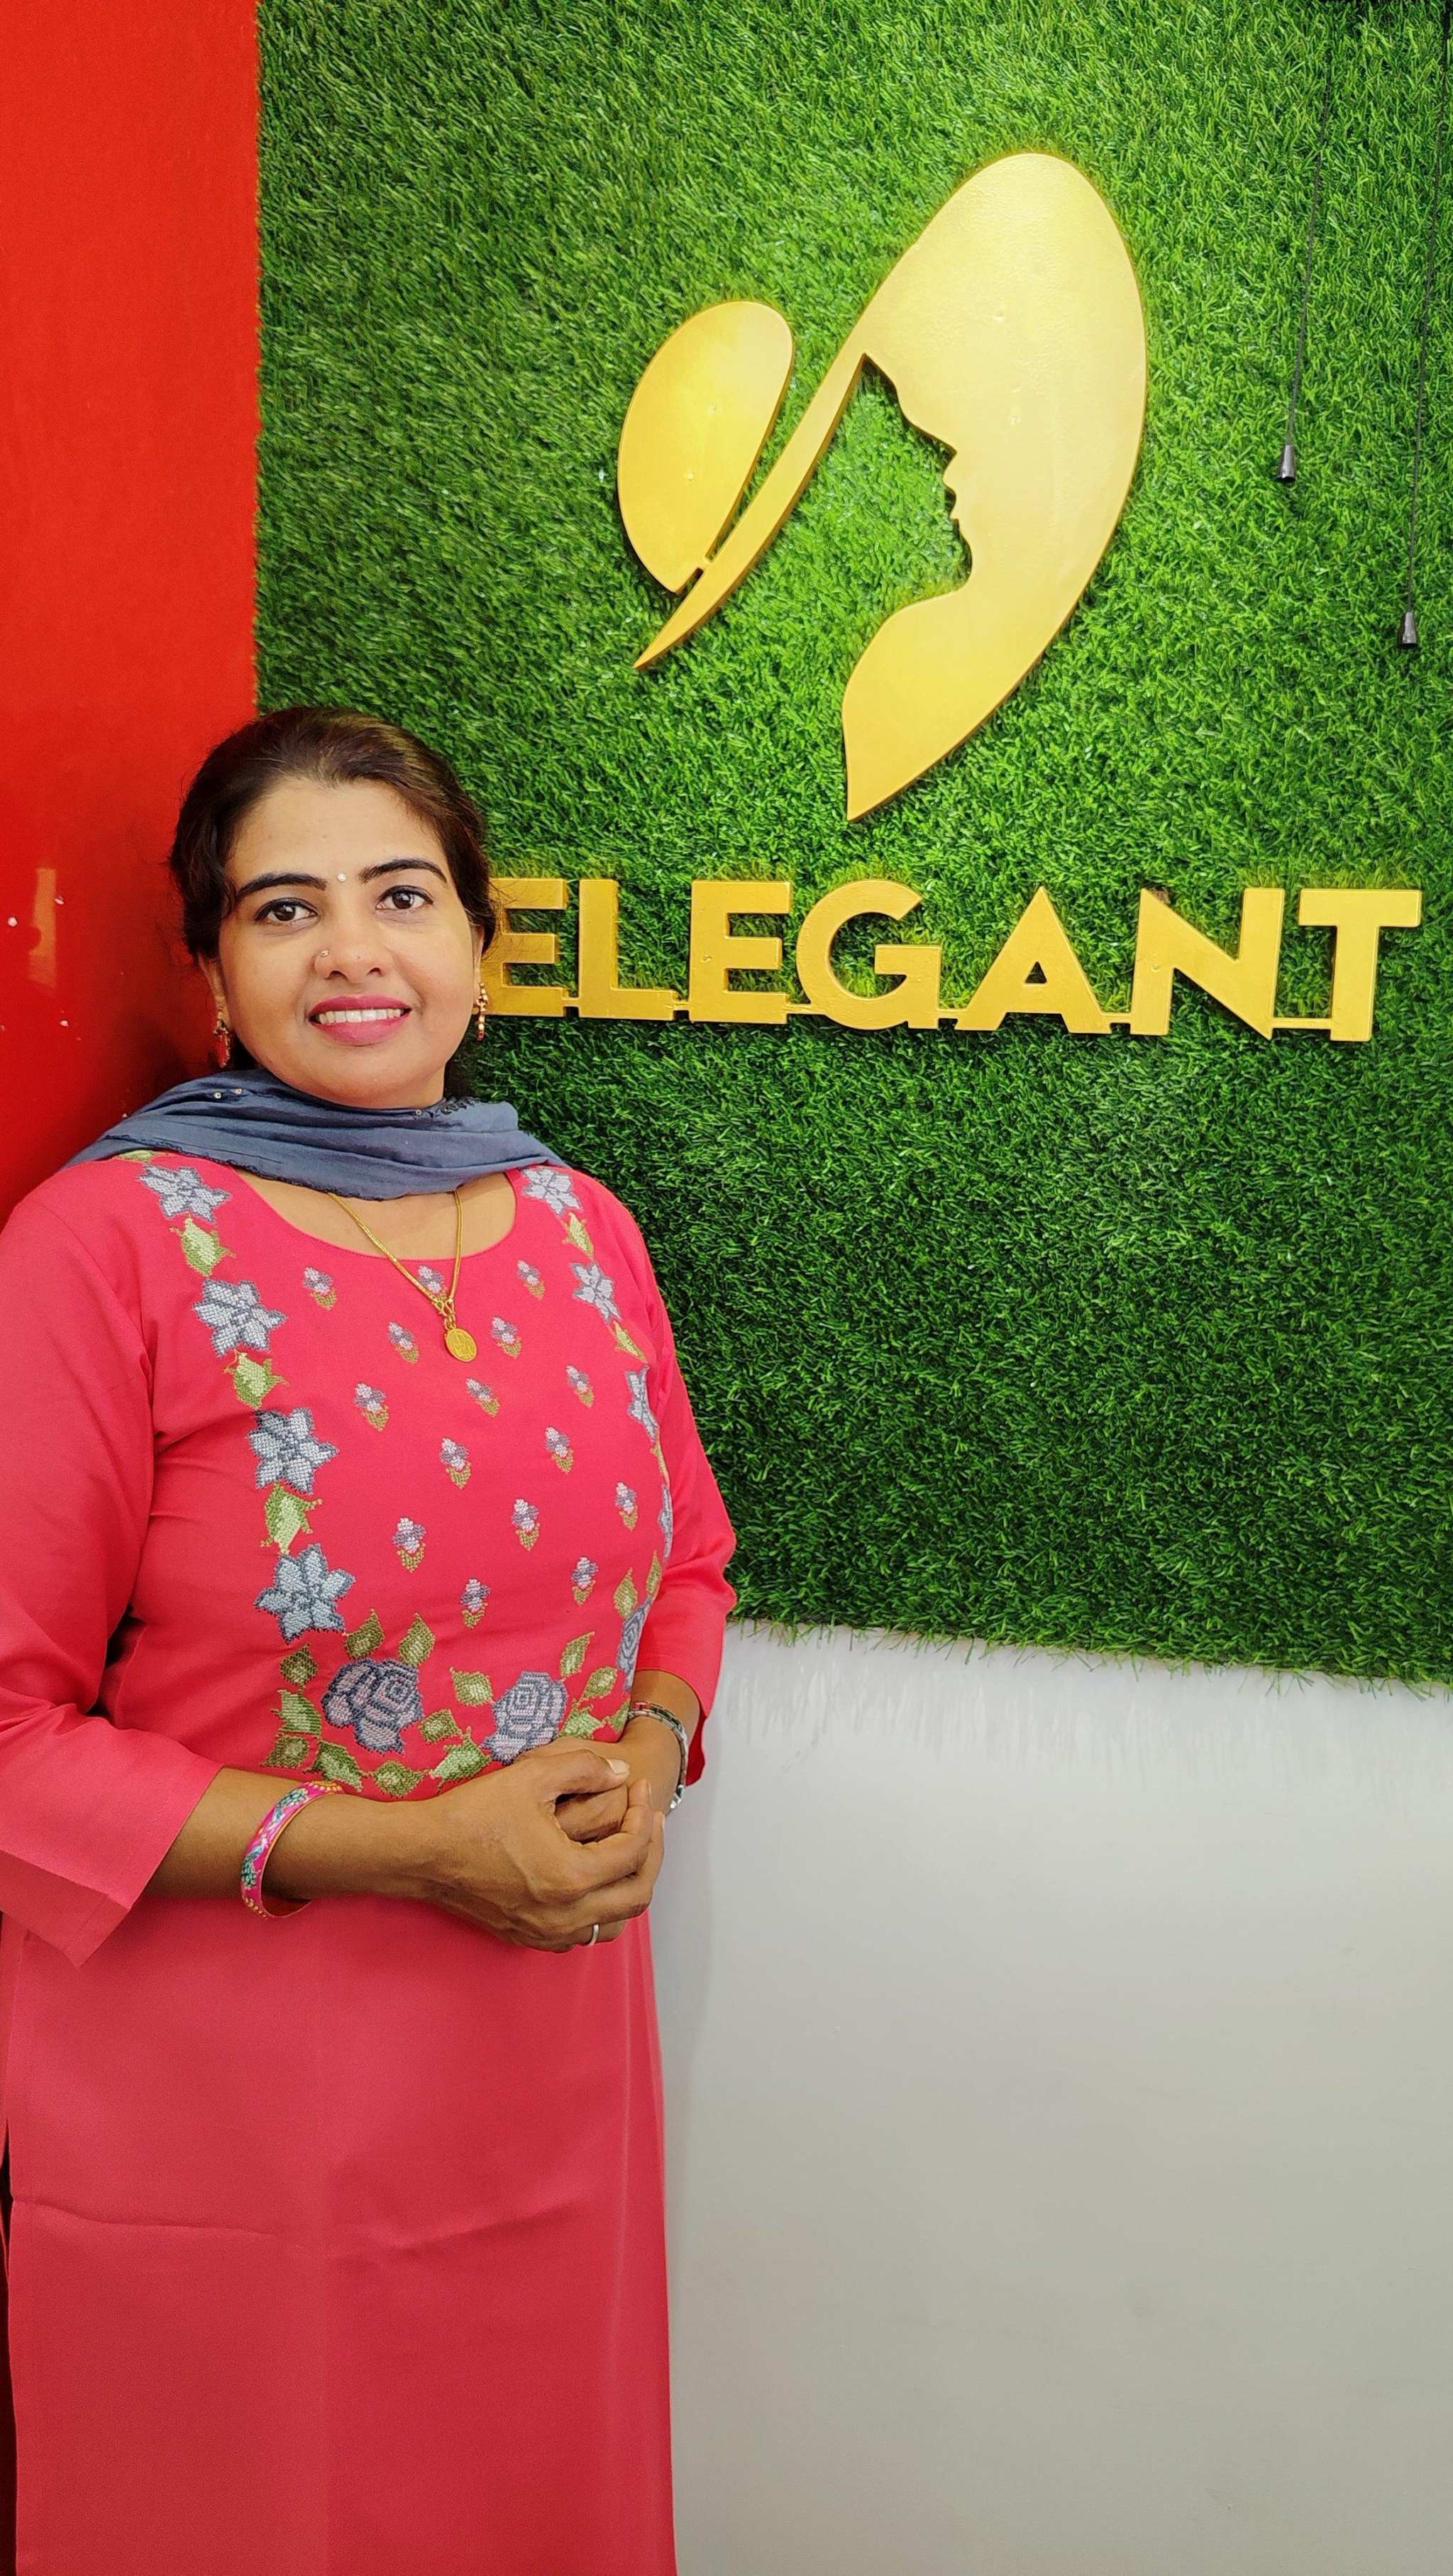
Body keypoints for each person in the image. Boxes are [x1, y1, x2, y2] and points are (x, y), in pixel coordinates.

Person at [0, 705, 736, 2576]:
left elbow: (690, 1571)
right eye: (283, 909)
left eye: (403, 895)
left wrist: (650, 1756)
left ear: (479, 949)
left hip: (550, 2070)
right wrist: (417, 1846)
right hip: (229, 2113)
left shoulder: (583, 1230)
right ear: (211, 972)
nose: (353, 952)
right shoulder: (106, 1250)